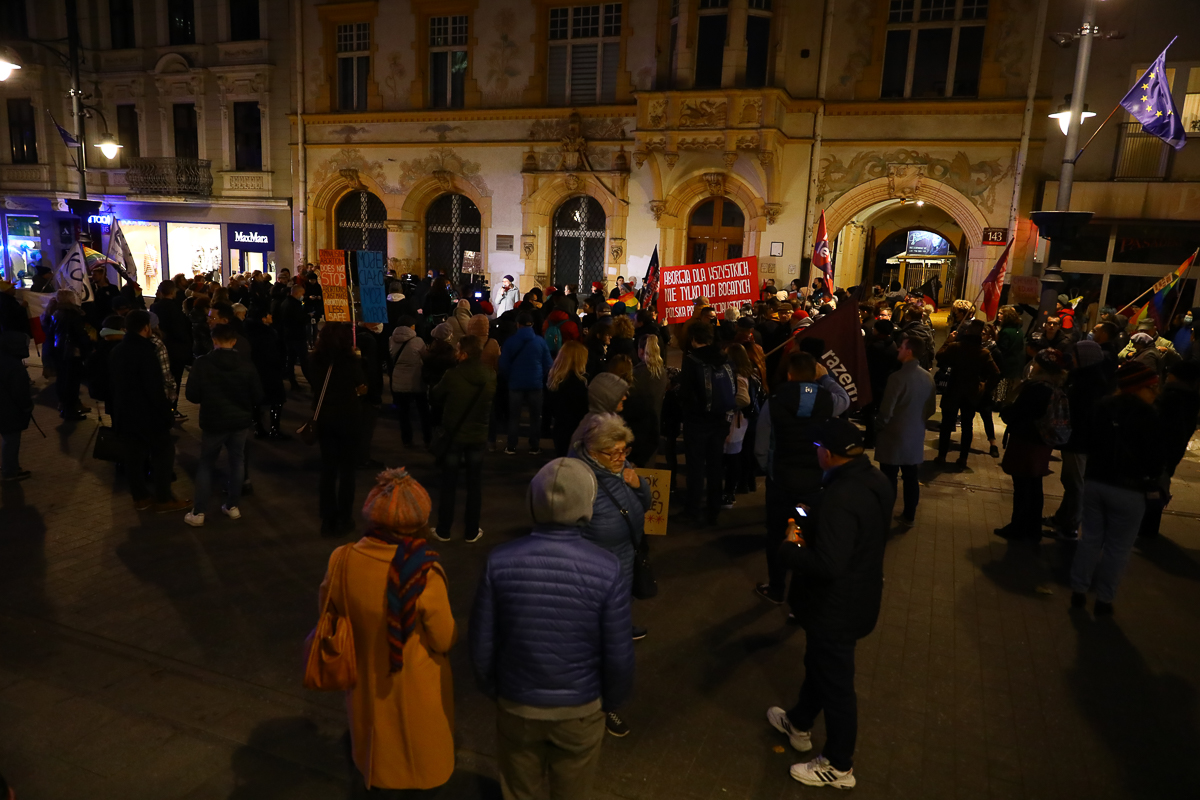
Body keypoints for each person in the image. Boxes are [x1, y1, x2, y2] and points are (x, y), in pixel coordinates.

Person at [469, 458, 634, 799]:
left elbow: (481, 644)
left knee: (518, 791)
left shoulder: (500, 560)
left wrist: (496, 690)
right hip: (581, 710)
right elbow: (619, 655)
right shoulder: (607, 568)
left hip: (517, 705)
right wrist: (609, 702)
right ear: (587, 503)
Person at [767, 418, 892, 789]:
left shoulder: (841, 497)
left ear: (827, 453)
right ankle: (800, 721)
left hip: (835, 607)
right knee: (819, 665)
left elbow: (829, 563)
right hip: (859, 596)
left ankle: (838, 765)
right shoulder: (876, 481)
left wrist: (790, 547)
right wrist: (810, 513)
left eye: (818, 448)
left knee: (837, 684)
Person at [319, 468, 457, 794]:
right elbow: (443, 637)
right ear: (420, 519)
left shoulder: (343, 559)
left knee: (377, 757)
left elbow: (329, 612)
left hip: (364, 680)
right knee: (416, 760)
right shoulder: (424, 570)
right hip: (415, 687)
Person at [753, 351, 850, 603]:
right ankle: (801, 600)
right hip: (813, 487)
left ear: (789, 374)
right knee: (805, 534)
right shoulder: (827, 399)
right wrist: (826, 378)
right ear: (814, 374)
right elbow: (845, 398)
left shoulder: (773, 401)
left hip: (780, 484)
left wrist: (770, 470)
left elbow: (761, 445)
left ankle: (776, 588)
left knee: (777, 533)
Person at [1069, 361, 1165, 614]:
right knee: (1117, 547)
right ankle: (1104, 599)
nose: (1155, 392)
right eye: (1151, 387)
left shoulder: (1102, 407)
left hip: (1096, 482)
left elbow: (1089, 440)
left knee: (1090, 539)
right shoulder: (1149, 415)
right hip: (1129, 490)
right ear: (1139, 387)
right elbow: (1155, 460)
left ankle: (1078, 591)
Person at [572, 413, 652, 659]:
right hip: (598, 563)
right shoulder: (581, 481)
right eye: (613, 452)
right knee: (599, 608)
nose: (621, 458)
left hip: (627, 553)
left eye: (624, 450)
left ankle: (620, 630)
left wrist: (639, 484)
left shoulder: (624, 467)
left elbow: (646, 505)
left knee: (624, 599)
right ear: (594, 452)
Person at [108, 310, 190, 513]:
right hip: (147, 414)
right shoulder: (146, 352)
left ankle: (140, 497)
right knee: (164, 451)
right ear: (146, 328)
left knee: (133, 457)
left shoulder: (117, 350)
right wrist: (166, 412)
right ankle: (163, 498)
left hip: (124, 413)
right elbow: (154, 387)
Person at [183, 324, 263, 527]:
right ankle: (233, 506)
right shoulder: (246, 364)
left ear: (214, 341)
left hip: (214, 420)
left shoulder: (203, 363)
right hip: (240, 421)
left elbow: (191, 395)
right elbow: (258, 395)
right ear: (234, 341)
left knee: (206, 463)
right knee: (237, 462)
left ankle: (199, 511)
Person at [995, 349, 1068, 541]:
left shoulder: (1036, 388)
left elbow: (1018, 413)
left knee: (1023, 487)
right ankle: (1032, 528)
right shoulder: (1055, 387)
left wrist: (1006, 410)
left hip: (1027, 441)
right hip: (1042, 442)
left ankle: (1018, 527)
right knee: (1035, 485)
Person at [430, 335, 496, 543]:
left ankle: (443, 530)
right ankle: (471, 530)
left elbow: (435, 396)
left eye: (458, 350)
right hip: (478, 436)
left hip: (454, 434)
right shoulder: (490, 375)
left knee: (449, 483)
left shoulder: (452, 375)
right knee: (474, 485)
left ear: (465, 354)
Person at [1044, 340, 1110, 541]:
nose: (1072, 360)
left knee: (1075, 483)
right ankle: (1062, 518)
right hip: (1077, 439)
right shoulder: (1087, 378)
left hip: (1080, 440)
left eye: (1075, 356)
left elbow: (1084, 415)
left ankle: (1071, 525)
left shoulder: (1091, 384)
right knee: (1071, 481)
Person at [310, 322, 368, 537]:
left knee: (328, 469)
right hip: (349, 417)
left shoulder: (316, 361)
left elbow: (315, 383)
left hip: (325, 417)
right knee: (347, 471)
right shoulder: (351, 361)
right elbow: (362, 385)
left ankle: (328, 517)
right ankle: (345, 516)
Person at [678, 321, 736, 525]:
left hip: (697, 421)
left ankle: (692, 509)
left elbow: (686, 393)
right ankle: (714, 509)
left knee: (695, 466)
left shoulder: (692, 360)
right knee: (715, 465)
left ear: (694, 339)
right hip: (720, 420)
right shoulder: (726, 357)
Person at [874, 336, 936, 526]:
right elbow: (931, 408)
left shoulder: (897, 378)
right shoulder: (927, 377)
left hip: (893, 435)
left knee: (889, 477)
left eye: (901, 347)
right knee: (910, 477)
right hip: (915, 434)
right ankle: (909, 515)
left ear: (909, 351)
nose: (898, 350)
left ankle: (885, 513)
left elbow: (886, 410)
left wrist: (878, 426)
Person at [1139, 361, 1200, 537]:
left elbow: (1166, 427)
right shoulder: (1190, 397)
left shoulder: (1172, 397)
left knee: (1151, 486)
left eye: (1170, 373)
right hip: (1171, 452)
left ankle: (1146, 528)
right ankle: (1149, 528)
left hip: (1161, 451)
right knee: (1157, 486)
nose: (1166, 376)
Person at [934, 321, 999, 471]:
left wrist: (947, 342)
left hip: (953, 389)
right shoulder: (983, 352)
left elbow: (940, 357)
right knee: (967, 426)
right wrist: (984, 387)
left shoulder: (955, 347)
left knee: (946, 425)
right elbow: (995, 373)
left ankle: (942, 455)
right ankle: (963, 458)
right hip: (971, 392)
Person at [498, 311, 554, 455]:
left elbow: (503, 364)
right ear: (532, 325)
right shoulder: (540, 342)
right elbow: (548, 364)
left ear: (518, 325)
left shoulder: (510, 342)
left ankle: (511, 446)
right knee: (535, 417)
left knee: (514, 416)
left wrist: (511, 376)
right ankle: (534, 446)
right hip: (535, 384)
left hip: (515, 384)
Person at [243, 307, 288, 440]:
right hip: (270, 370)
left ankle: (259, 428)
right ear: (263, 318)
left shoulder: (247, 331)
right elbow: (275, 352)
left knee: (257, 399)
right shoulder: (268, 333)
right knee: (277, 399)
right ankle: (274, 429)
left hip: (255, 369)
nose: (271, 317)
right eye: (268, 315)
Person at [150, 281, 192, 421]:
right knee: (175, 381)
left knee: (161, 379)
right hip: (176, 350)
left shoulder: (155, 307)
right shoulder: (176, 309)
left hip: (161, 346)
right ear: (173, 292)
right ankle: (172, 408)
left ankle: (163, 408)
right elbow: (181, 331)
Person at [626, 335, 669, 468]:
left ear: (641, 351)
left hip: (637, 429)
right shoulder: (661, 372)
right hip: (655, 426)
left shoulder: (636, 374)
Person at [389, 314, 431, 448]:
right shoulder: (418, 341)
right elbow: (426, 358)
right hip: (416, 381)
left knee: (403, 413)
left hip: (398, 380)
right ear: (411, 326)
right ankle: (428, 438)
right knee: (423, 411)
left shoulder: (391, 339)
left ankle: (407, 440)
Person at [50, 289, 92, 420]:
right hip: (72, 351)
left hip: (60, 350)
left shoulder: (56, 313)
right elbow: (80, 334)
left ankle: (66, 407)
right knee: (72, 381)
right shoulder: (72, 314)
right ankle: (70, 411)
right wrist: (89, 346)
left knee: (63, 379)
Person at [546, 339, 591, 457]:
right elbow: (582, 410)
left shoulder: (555, 380)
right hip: (575, 431)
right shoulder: (578, 383)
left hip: (559, 429)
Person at [0, 332, 33, 482]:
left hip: (5, 407)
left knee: (8, 439)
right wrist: (27, 407)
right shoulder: (13, 365)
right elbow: (20, 391)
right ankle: (10, 470)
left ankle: (8, 466)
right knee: (11, 440)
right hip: (9, 409)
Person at [278, 283, 312, 389]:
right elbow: (299, 320)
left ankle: (293, 382)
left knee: (291, 360)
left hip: (289, 335)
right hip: (297, 336)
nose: (303, 296)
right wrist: (308, 317)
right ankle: (312, 383)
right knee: (304, 360)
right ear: (297, 293)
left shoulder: (286, 303)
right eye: (302, 293)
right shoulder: (293, 305)